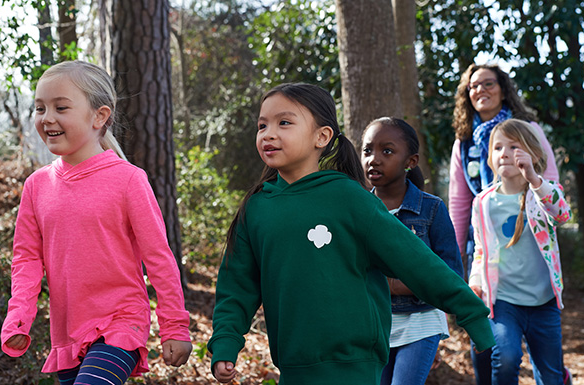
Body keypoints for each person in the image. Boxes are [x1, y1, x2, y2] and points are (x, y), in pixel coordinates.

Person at [207, 82, 495, 385]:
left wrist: (471, 313)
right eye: (262, 125)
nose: (269, 133)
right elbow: (237, 286)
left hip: (354, 363)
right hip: (293, 367)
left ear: (322, 136)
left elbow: (416, 260)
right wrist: (225, 342)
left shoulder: (349, 198)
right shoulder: (257, 207)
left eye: (284, 123)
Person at [0, 61, 193, 384]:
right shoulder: (36, 186)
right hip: (67, 332)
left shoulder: (128, 180)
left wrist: (174, 325)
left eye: (61, 107)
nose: (47, 118)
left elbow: (158, 257)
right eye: (39, 108)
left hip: (120, 322)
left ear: (99, 117)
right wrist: (18, 318)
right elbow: (26, 260)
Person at [448, 63, 566, 385]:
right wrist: (457, 257)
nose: (480, 90)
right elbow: (459, 202)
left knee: (549, 364)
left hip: (532, 229)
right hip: (487, 245)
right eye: (473, 87)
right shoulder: (466, 142)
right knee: (497, 346)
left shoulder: (528, 130)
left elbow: (556, 199)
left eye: (488, 83)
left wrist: (536, 187)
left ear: (502, 89)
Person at [361, 117, 463, 385]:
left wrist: (395, 285)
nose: (374, 159)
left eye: (387, 151)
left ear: (411, 161)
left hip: (421, 323)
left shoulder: (432, 209)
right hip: (374, 326)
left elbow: (451, 273)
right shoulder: (357, 210)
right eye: (367, 150)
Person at [469, 119, 571, 384]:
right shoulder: (482, 203)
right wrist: (476, 282)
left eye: (513, 146)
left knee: (550, 374)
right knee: (506, 358)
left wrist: (535, 179)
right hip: (504, 301)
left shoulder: (543, 193)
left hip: (544, 302)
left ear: (533, 154)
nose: (504, 153)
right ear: (490, 157)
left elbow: (562, 215)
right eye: (498, 147)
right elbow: (481, 250)